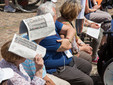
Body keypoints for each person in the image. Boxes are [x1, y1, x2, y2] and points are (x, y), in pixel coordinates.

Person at [35, 1, 93, 85]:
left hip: (66, 57)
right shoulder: (45, 34)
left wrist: (68, 39)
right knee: (88, 81)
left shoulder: (53, 23)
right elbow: (67, 46)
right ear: (49, 17)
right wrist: (68, 42)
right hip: (56, 67)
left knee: (87, 66)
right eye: (55, 14)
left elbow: (70, 30)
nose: (56, 16)